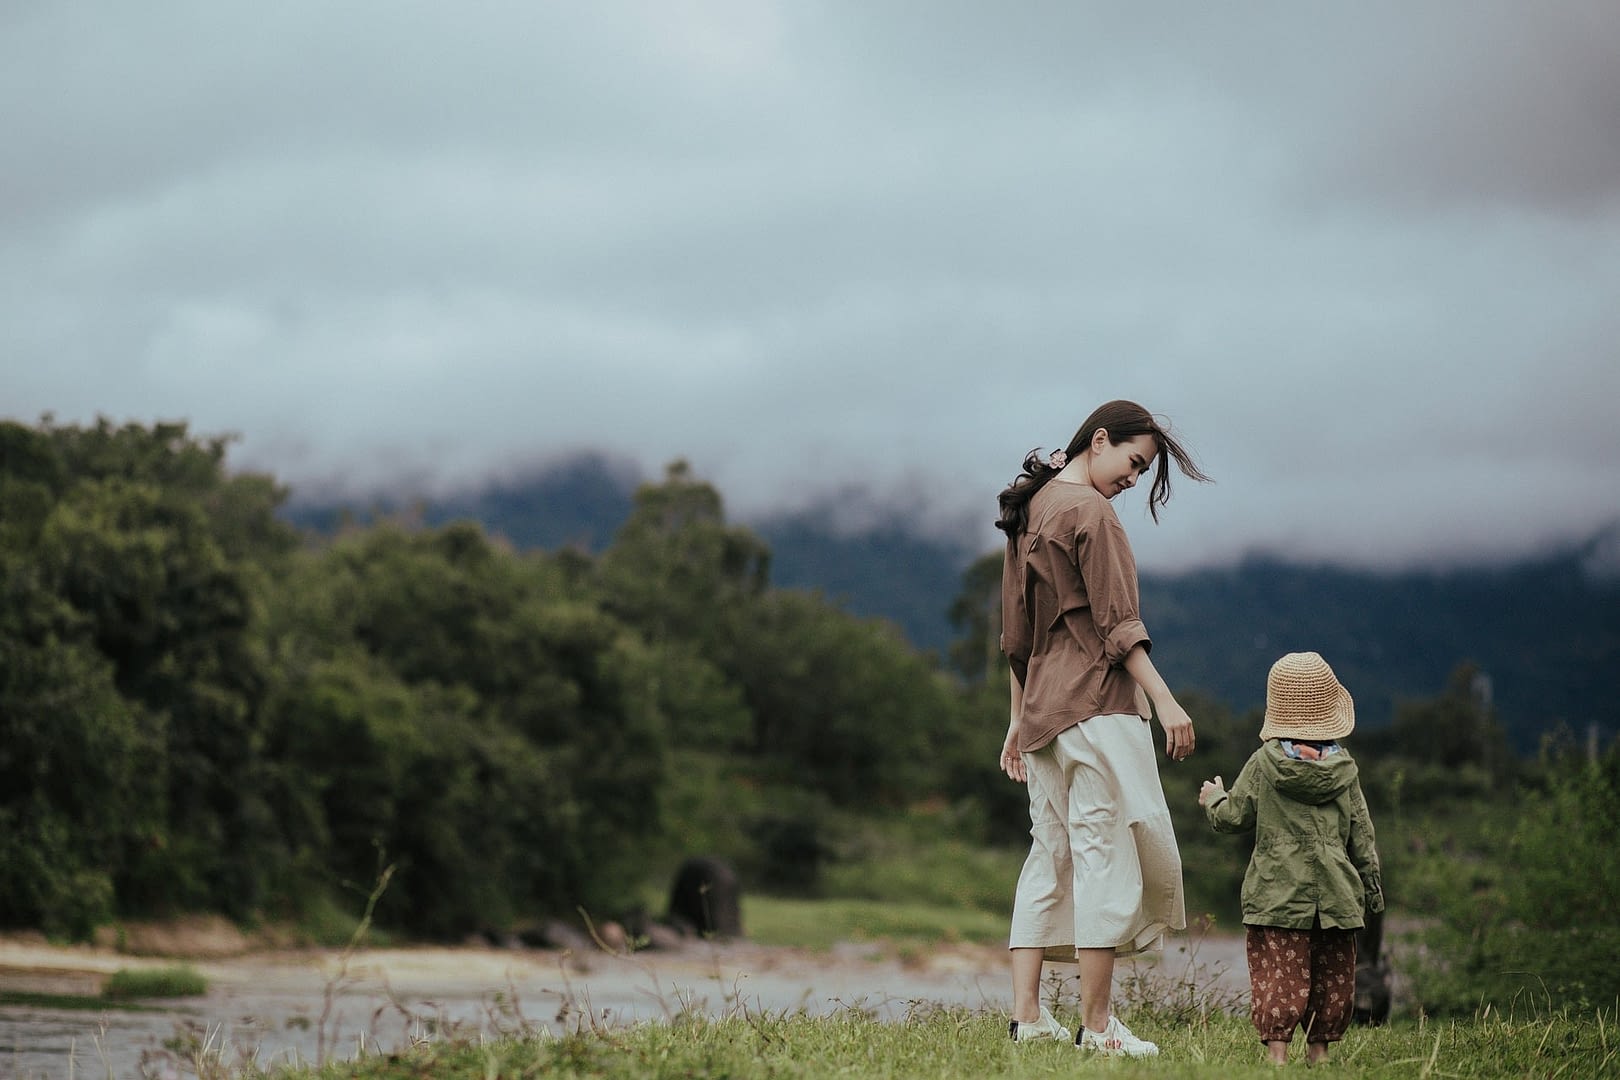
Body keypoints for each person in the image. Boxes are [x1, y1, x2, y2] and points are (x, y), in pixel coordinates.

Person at [996, 399, 1210, 1056]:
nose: (1134, 478)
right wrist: (1168, 703)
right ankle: (1098, 1028)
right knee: (1106, 858)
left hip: (1044, 714)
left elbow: (1016, 637)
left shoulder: (1030, 511)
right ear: (1099, 440)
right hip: (1095, 706)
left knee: (1050, 857)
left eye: (1143, 471)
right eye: (1135, 462)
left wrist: (1015, 722)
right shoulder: (1092, 514)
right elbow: (1120, 629)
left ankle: (1028, 1018)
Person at [1199, 651, 1384, 1066]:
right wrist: (1372, 892)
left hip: (1276, 894)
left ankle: (1277, 1055)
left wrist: (1213, 799)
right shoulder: (1346, 772)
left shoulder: (1264, 765)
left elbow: (1234, 817)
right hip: (1336, 898)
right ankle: (1319, 1052)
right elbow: (1363, 837)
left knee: (1279, 975)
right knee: (1332, 977)